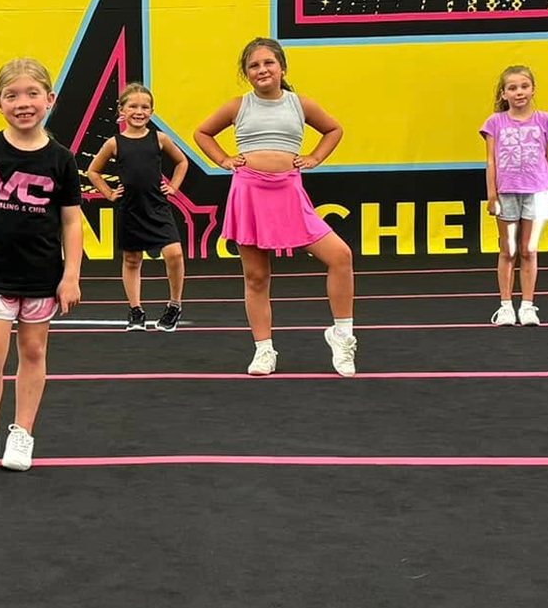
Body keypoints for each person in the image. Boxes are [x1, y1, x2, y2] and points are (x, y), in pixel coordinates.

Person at [194, 38, 357, 377]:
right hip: (248, 192)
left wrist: (314, 157)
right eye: (254, 66)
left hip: (288, 192)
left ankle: (342, 336)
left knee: (340, 256)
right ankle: (263, 350)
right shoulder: (238, 106)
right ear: (246, 74)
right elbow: (203, 133)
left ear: (282, 67)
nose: (262, 70)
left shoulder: (300, 104)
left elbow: (333, 129)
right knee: (256, 277)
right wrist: (223, 159)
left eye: (268, 63)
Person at [0, 58, 84, 472]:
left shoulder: (61, 159)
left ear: (49, 99)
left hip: (42, 273)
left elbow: (71, 221)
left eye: (31, 94)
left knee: (32, 349)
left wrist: (71, 276)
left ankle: (22, 433)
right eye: (12, 96)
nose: (22, 103)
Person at [86, 82, 189, 331]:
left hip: (157, 207)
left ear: (151, 112)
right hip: (130, 208)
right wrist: (109, 193)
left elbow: (182, 162)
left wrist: (173, 187)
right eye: (133, 106)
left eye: (145, 107)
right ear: (122, 110)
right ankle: (135, 310)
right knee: (132, 259)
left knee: (174, 253)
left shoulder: (159, 139)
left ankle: (174, 305)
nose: (139, 111)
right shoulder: (114, 143)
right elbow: (93, 171)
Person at [480, 65, 548, 327]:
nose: (519, 92)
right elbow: (491, 161)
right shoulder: (495, 122)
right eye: (512, 88)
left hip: (536, 191)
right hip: (507, 192)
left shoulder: (545, 120)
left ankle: (527, 306)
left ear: (532, 89)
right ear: (503, 94)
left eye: (524, 86)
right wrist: (492, 194)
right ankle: (505, 306)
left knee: (529, 249)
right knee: (508, 249)